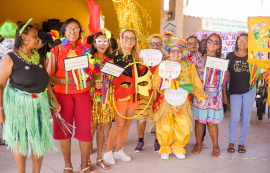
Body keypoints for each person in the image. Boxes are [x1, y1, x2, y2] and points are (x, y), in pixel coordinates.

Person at [0, 19, 61, 173]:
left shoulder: (39, 57)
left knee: (38, 141)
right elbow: (0, 85)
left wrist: (53, 99)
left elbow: (46, 81)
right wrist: (1, 109)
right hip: (19, 105)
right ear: (24, 38)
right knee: (21, 141)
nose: (39, 39)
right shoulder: (10, 57)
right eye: (35, 36)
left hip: (39, 105)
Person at [46, 18, 97, 173]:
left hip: (82, 94)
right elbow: (48, 76)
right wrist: (63, 80)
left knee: (85, 129)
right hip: (62, 94)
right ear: (64, 31)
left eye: (76, 29)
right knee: (64, 130)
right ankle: (67, 164)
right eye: (69, 29)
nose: (73, 32)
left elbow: (93, 72)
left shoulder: (86, 50)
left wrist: (91, 81)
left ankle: (84, 165)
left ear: (80, 32)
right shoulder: (55, 51)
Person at [152, 37, 207, 160]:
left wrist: (200, 95)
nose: (175, 54)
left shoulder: (189, 65)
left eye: (178, 51)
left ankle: (178, 147)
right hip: (165, 99)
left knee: (184, 124)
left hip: (182, 99)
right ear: (168, 52)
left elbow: (196, 81)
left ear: (182, 53)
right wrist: (163, 83)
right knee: (164, 124)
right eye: (173, 51)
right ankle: (165, 147)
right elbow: (155, 81)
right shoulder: (162, 65)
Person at [104, 29, 140, 165]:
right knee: (119, 124)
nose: (129, 41)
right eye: (126, 38)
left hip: (134, 94)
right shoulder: (114, 55)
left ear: (135, 41)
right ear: (121, 39)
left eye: (132, 38)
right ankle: (108, 152)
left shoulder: (136, 56)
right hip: (120, 93)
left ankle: (119, 150)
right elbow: (108, 73)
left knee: (127, 123)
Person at [190, 33, 228, 157]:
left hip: (214, 96)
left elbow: (223, 81)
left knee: (212, 122)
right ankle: (198, 144)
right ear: (206, 43)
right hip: (200, 94)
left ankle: (216, 146)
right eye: (210, 41)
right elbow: (187, 71)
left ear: (219, 46)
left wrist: (225, 96)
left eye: (216, 42)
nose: (212, 43)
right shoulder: (196, 57)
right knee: (199, 121)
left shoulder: (221, 61)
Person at [89, 30, 114, 170]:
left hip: (105, 98)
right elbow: (83, 78)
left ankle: (99, 158)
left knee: (102, 128)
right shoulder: (88, 58)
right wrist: (93, 82)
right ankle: (86, 160)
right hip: (91, 98)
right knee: (91, 128)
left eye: (105, 41)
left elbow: (111, 79)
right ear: (94, 43)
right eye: (100, 41)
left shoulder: (110, 60)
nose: (102, 44)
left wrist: (107, 81)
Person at [227, 31, 255, 153]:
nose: (242, 43)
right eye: (240, 40)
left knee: (246, 118)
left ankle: (241, 143)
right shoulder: (230, 56)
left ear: (249, 43)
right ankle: (231, 142)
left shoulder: (253, 57)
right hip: (235, 91)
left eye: (245, 41)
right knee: (234, 117)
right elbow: (225, 74)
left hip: (249, 90)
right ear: (236, 42)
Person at [135, 34, 163, 153]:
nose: (155, 46)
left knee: (158, 118)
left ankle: (157, 141)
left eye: (158, 44)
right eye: (153, 43)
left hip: (159, 92)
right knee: (141, 118)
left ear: (161, 46)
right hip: (144, 91)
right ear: (149, 45)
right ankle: (140, 140)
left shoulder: (166, 59)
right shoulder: (141, 58)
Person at [185, 35, 208, 148]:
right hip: (187, 90)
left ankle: (201, 139)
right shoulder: (183, 57)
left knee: (200, 117)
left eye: (195, 43)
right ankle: (183, 139)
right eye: (190, 43)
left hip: (200, 90)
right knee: (185, 116)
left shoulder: (203, 56)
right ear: (186, 45)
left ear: (198, 44)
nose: (192, 45)